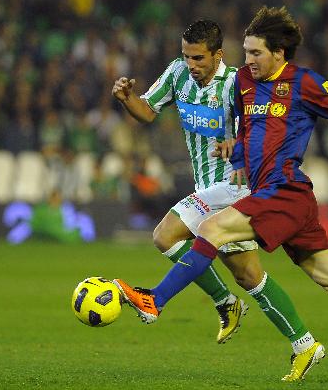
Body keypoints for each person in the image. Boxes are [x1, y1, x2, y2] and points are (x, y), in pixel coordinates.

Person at [114, 6, 328, 382]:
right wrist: (232, 151)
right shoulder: (244, 85)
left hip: (285, 190)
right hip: (273, 192)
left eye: (255, 53)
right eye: (246, 52)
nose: (247, 60)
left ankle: (156, 300)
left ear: (278, 53)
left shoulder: (303, 82)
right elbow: (249, 134)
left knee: (212, 230)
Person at [112, 20, 311, 348]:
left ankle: (160, 301)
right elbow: (147, 112)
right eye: (187, 56)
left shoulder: (237, 85)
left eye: (199, 58)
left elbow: (262, 130)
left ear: (218, 55)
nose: (191, 65)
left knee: (165, 234)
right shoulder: (177, 74)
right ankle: (304, 344)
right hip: (207, 185)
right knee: (249, 276)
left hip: (236, 185)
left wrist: (243, 154)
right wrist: (126, 98)